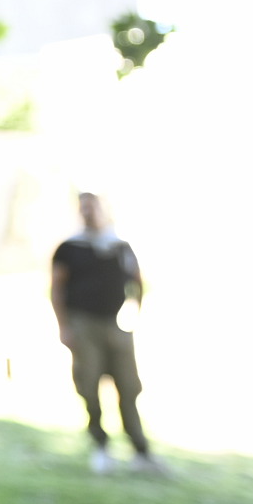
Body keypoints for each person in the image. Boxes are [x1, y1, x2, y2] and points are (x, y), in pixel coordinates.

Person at [52, 192, 158, 473]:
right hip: (83, 324)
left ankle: (140, 450)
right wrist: (64, 326)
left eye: (92, 206)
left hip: (116, 325)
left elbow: (137, 282)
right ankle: (101, 446)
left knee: (128, 386)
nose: (88, 212)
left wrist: (135, 315)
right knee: (89, 385)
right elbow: (57, 287)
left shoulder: (120, 247)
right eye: (83, 207)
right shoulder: (70, 248)